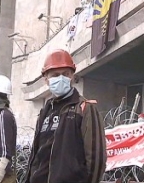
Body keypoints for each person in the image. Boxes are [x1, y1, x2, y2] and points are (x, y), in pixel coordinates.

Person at [25, 49, 106, 183]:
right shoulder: (44, 112)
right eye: (55, 75)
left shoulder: (84, 109)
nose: (61, 78)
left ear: (72, 76)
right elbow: (36, 156)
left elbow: (96, 158)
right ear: (46, 80)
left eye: (65, 74)